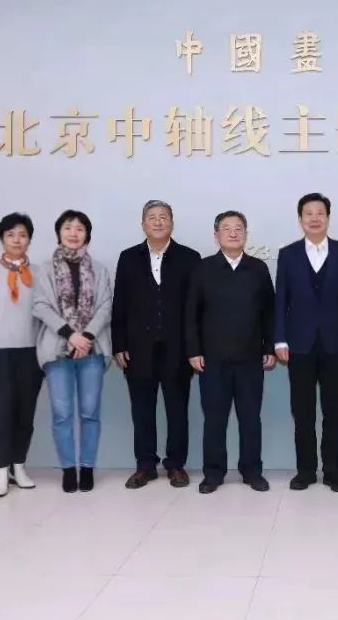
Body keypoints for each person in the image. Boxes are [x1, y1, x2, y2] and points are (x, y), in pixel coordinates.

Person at [112, 200, 201, 490]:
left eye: (164, 217)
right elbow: (120, 304)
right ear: (143, 224)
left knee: (177, 410)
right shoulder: (128, 258)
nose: (158, 222)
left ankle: (176, 464)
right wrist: (119, 344)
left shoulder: (189, 258)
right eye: (152, 217)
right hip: (138, 350)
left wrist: (195, 347)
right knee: (142, 411)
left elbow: (196, 308)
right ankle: (145, 465)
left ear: (172, 223)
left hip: (178, 350)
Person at [274, 193, 338, 493]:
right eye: (308, 213)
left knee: (334, 412)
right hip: (299, 344)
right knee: (303, 412)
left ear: (328, 217)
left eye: (320, 212)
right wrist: (280, 339)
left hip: (336, 343)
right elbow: (281, 299)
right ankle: (306, 471)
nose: (314, 218)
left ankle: (334, 472)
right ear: (300, 219)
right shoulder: (288, 254)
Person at [188, 211, 276, 494]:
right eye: (226, 228)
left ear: (246, 234)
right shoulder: (203, 268)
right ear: (216, 235)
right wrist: (193, 350)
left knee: (251, 419)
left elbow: (269, 312)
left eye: (239, 228)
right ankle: (213, 473)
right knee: (215, 419)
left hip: (250, 358)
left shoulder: (258, 269)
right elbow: (191, 314)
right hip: (213, 359)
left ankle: (252, 471)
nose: (233, 233)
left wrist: (270, 347)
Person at [33, 210, 113, 493]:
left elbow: (105, 306)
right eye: (68, 228)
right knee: (62, 413)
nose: (73, 233)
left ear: (87, 235)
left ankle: (87, 467)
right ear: (59, 233)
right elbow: (40, 306)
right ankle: (68, 469)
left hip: (92, 350)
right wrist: (71, 335)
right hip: (57, 351)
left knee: (90, 412)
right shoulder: (44, 270)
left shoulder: (100, 270)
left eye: (79, 228)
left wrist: (86, 337)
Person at [0, 212, 45, 498]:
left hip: (30, 354)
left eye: (22, 235)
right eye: (11, 235)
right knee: (0, 414)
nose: (17, 240)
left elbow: (46, 314)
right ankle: (0, 472)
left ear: (29, 240)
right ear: (2, 238)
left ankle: (19, 467)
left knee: (25, 414)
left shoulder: (39, 273)